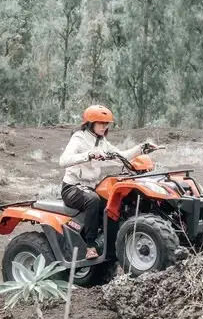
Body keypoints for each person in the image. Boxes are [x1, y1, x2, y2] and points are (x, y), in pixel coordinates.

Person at [58, 105, 157, 259]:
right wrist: (89, 155)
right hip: (72, 188)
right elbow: (63, 161)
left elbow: (122, 156)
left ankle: (112, 252)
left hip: (90, 187)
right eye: (101, 123)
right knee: (93, 200)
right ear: (90, 123)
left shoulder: (102, 141)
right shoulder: (79, 138)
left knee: (113, 207)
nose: (104, 127)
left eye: (106, 124)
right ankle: (90, 247)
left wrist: (142, 148)